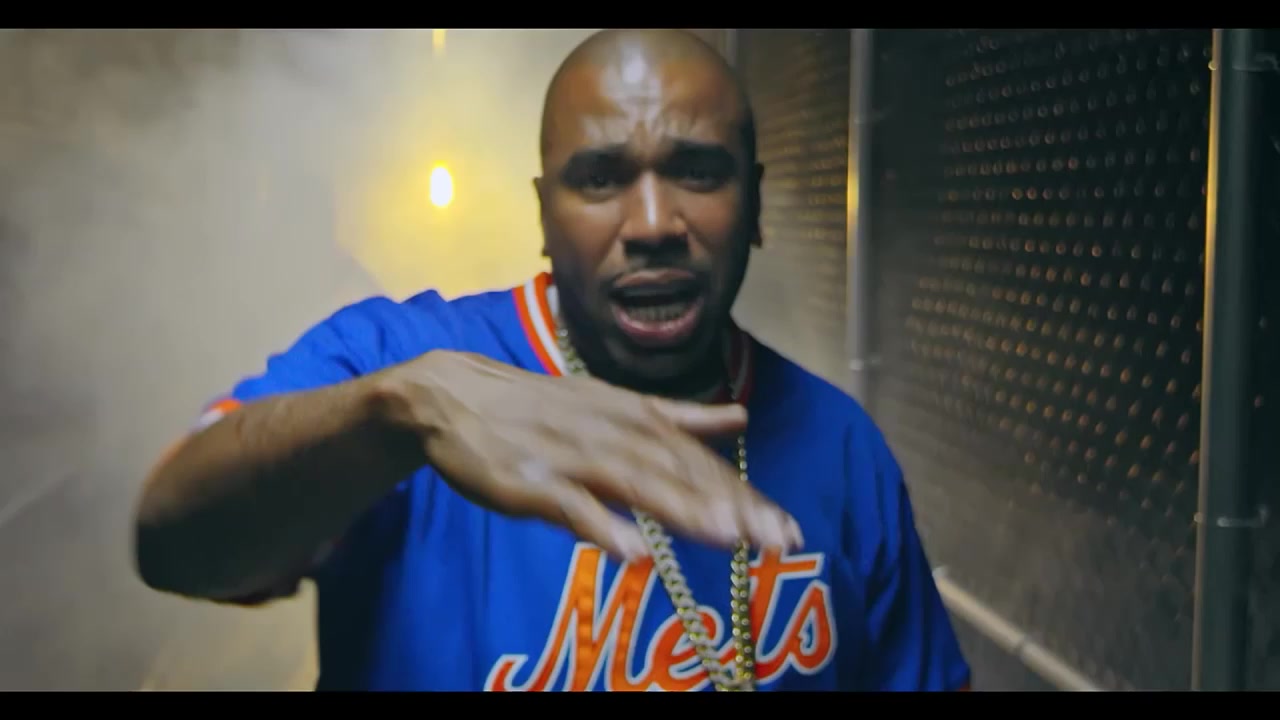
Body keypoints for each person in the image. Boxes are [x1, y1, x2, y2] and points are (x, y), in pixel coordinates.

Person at [133, 28, 971, 692]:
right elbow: (172, 539)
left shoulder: (841, 447)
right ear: (543, 214)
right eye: (601, 178)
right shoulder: (404, 364)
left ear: (754, 204)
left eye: (697, 171)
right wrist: (402, 414)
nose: (652, 223)